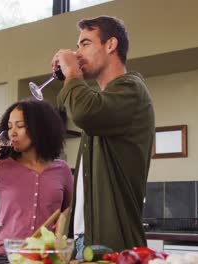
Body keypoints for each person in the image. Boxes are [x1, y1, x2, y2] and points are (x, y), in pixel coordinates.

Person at [52, 16, 155, 254]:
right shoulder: (101, 104)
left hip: (113, 246)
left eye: (85, 43)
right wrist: (66, 75)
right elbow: (68, 108)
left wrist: (73, 75)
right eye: (77, 46)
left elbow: (84, 113)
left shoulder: (131, 90)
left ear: (110, 45)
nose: (77, 53)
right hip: (83, 241)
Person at [0, 99, 73, 253]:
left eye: (20, 126)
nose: (12, 133)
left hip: (46, 257)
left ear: (40, 128)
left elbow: (69, 213)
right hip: (6, 256)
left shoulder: (61, 170)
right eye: (9, 126)